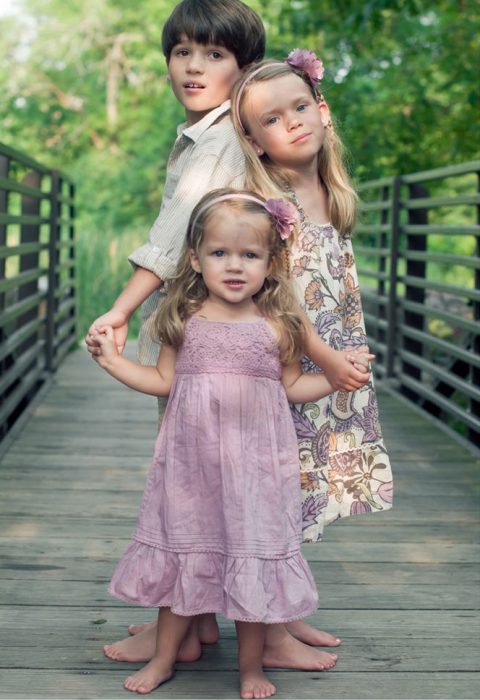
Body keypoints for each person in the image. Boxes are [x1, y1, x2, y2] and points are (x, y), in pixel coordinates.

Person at [86, 1, 371, 670]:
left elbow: (170, 238)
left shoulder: (219, 138)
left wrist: (123, 308)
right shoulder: (208, 134)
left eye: (214, 54)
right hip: (219, 331)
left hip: (243, 331)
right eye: (182, 51)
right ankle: (203, 624)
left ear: (243, 72)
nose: (192, 66)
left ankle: (247, 624)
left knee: (221, 484)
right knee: (217, 482)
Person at [91, 189, 343, 697]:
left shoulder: (278, 325)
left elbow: (294, 388)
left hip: (257, 471)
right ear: (195, 258)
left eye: (249, 255)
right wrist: (113, 362)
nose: (234, 266)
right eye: (219, 253)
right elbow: (164, 381)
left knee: (250, 559)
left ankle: (251, 668)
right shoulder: (183, 319)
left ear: (271, 264)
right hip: (192, 466)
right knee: (185, 549)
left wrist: (338, 379)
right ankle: (164, 658)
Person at [231, 50, 393, 543]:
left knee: (312, 481)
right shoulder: (272, 205)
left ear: (322, 110)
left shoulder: (333, 192)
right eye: (272, 120)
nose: (293, 123)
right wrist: (324, 357)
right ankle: (271, 617)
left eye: (300, 107)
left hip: (331, 357)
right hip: (293, 362)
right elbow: (281, 298)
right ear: (255, 143)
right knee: (280, 477)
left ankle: (284, 609)